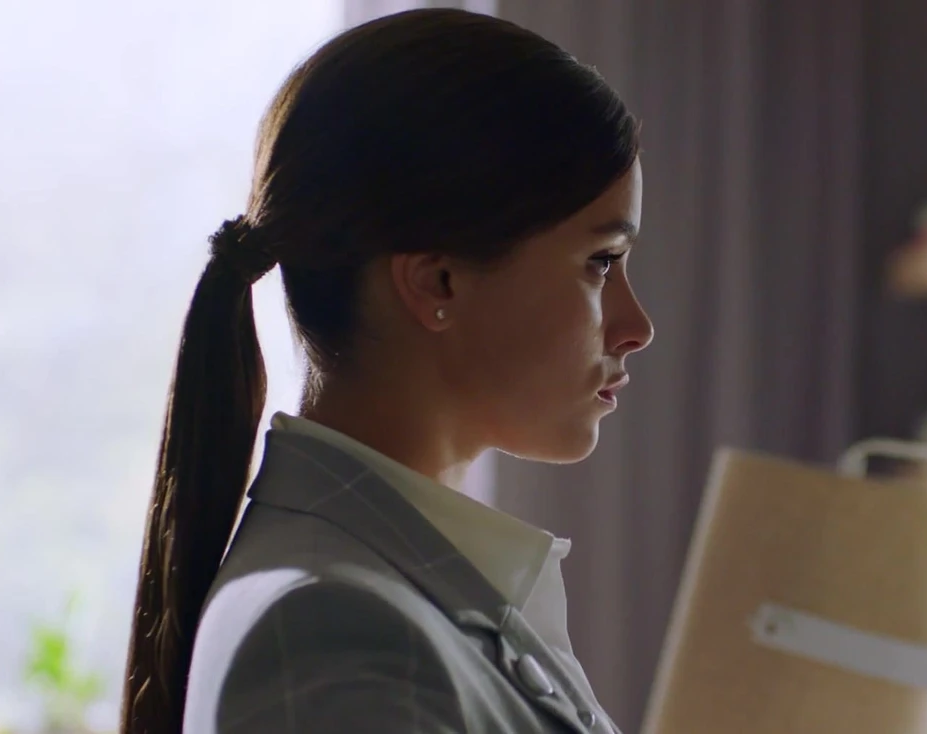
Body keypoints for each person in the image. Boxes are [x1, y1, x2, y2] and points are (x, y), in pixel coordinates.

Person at [118, 7, 653, 734]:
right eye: (601, 263)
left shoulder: (395, 599)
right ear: (436, 283)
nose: (637, 327)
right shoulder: (336, 637)